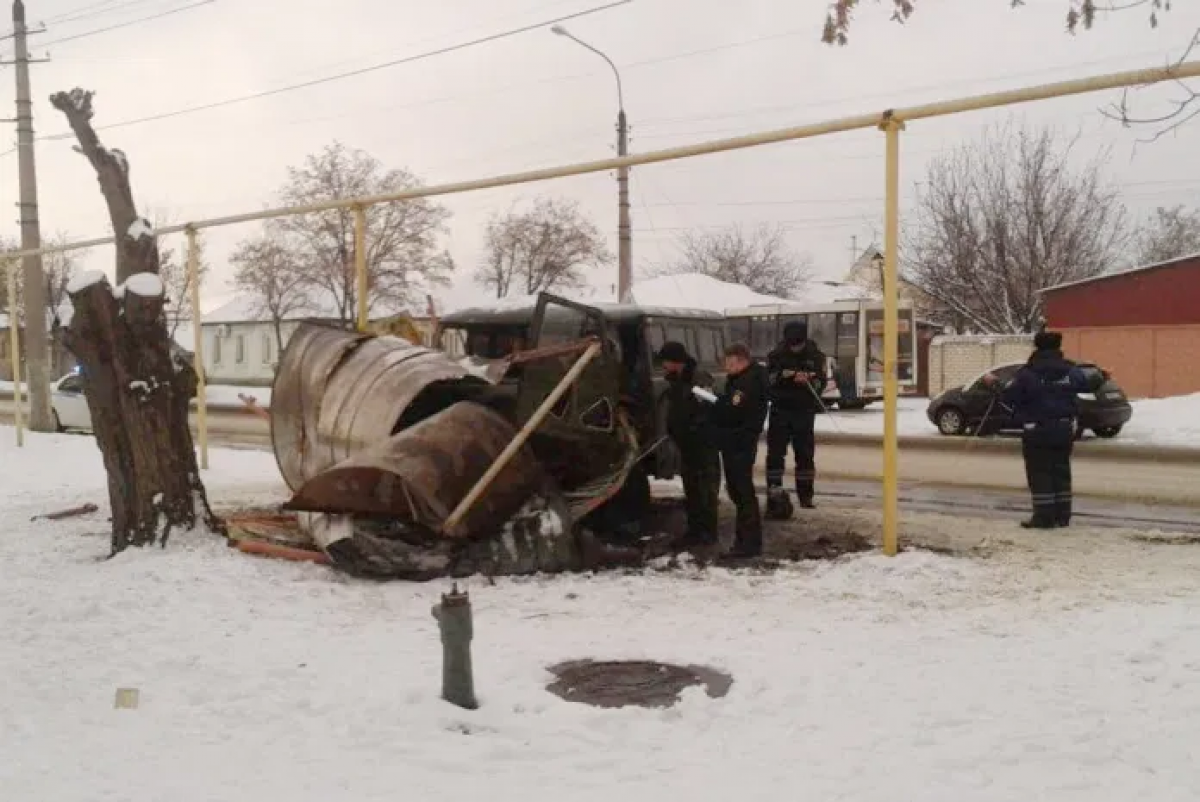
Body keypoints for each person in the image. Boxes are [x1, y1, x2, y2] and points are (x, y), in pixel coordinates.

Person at [984, 330, 1088, 529]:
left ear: (1037, 347)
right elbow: (1085, 383)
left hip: (1037, 430)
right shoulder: (1071, 371)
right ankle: (1062, 516)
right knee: (1061, 471)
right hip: (1064, 428)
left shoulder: (1028, 373)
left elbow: (1009, 396)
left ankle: (1044, 517)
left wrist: (994, 384)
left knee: (1040, 473)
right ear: (1058, 347)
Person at [657, 341, 721, 549]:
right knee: (692, 490)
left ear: (675, 361)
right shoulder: (677, 381)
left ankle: (708, 533)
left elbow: (711, 405)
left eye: (665, 361)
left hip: (702, 444)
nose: (663, 366)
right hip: (686, 445)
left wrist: (695, 427)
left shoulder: (699, 379)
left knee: (705, 490)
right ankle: (694, 531)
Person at [711, 342, 770, 559]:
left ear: (741, 360)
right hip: (736, 440)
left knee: (742, 491)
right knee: (739, 491)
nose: (726, 367)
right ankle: (746, 541)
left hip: (739, 441)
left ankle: (748, 543)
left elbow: (734, 411)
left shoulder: (747, 383)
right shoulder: (743, 379)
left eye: (729, 363)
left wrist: (715, 404)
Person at [764, 320, 829, 515]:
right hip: (780, 409)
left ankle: (806, 496)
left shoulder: (816, 356)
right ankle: (774, 493)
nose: (795, 348)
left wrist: (810, 379)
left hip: (804, 410)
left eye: (798, 345)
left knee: (805, 454)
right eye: (792, 344)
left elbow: (822, 381)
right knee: (775, 454)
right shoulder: (775, 355)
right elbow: (769, 379)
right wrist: (787, 377)